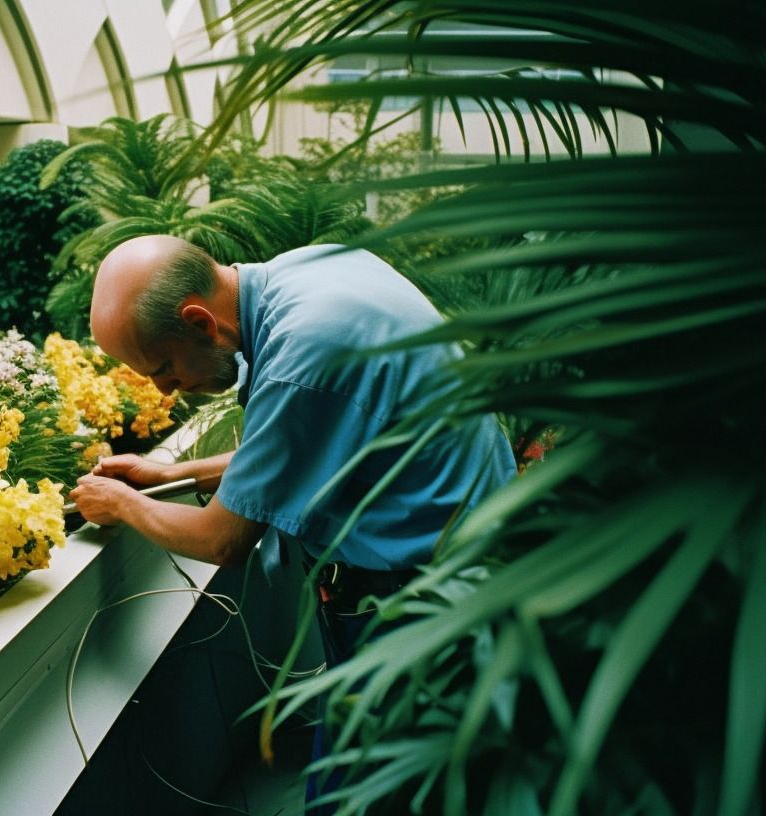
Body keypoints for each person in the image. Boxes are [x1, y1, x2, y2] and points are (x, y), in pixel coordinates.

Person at [67, 234, 515, 803]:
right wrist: (167, 477)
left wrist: (122, 504)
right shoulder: (314, 269)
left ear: (200, 322)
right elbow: (307, 440)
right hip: (460, 574)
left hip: (422, 611)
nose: (166, 390)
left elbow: (223, 539)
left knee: (349, 801)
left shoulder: (306, 347)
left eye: (163, 369)